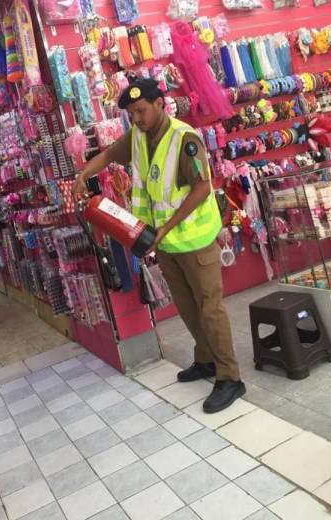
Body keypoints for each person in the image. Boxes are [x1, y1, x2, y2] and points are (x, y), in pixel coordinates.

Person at [74, 78, 245, 413]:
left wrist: (166, 227)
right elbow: (108, 154)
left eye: (140, 111)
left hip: (194, 240)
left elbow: (202, 188)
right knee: (187, 307)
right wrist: (83, 175)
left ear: (159, 104)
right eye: (131, 114)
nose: (136, 118)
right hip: (165, 243)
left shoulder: (185, 138)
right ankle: (206, 360)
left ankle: (230, 377)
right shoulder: (138, 137)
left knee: (210, 309)